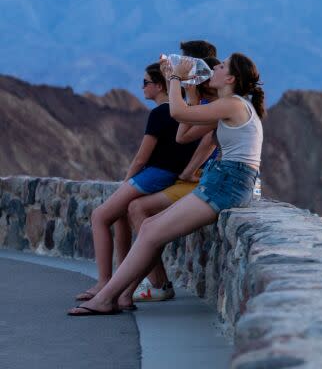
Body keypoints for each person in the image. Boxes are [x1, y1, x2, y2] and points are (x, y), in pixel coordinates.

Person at [69, 53, 265, 316]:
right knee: (149, 227)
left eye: (220, 66)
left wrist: (174, 77)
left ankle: (107, 297)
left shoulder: (233, 105)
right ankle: (115, 295)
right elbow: (183, 134)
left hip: (228, 182)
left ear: (230, 78)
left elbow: (176, 111)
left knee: (150, 231)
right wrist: (190, 91)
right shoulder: (227, 106)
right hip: (222, 179)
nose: (214, 67)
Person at [74, 63, 200, 308]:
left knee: (100, 216)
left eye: (146, 82)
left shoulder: (160, 113)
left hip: (154, 174)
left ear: (160, 85)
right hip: (170, 177)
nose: (142, 87)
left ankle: (104, 282)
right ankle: (122, 287)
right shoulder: (185, 111)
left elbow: (142, 158)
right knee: (120, 216)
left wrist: (126, 183)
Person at [125, 56, 221, 304]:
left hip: (206, 183)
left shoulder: (218, 106)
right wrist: (190, 94)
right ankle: (147, 283)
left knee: (139, 210)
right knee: (139, 211)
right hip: (198, 180)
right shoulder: (204, 103)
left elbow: (208, 141)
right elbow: (182, 134)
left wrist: (177, 81)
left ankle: (151, 285)